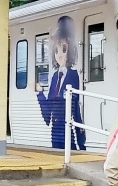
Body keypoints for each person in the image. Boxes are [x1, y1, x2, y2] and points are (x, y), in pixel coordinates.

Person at [36, 15, 86, 150]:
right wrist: (40, 94)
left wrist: (81, 142)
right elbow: (48, 115)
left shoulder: (73, 76)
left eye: (64, 49)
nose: (59, 54)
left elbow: (75, 110)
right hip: (56, 133)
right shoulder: (54, 78)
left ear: (70, 51)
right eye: (56, 50)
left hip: (69, 131)